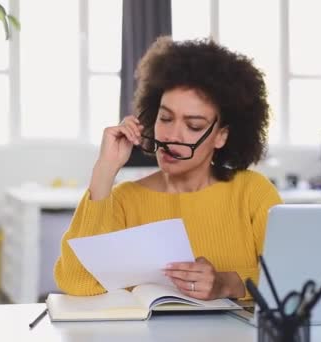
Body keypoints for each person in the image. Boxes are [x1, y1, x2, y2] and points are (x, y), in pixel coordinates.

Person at [54, 36, 282, 301]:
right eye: (165, 118)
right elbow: (77, 283)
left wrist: (229, 282)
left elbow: (294, 278)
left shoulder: (253, 192)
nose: (173, 135)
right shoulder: (124, 199)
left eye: (193, 125)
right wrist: (104, 171)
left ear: (221, 136)